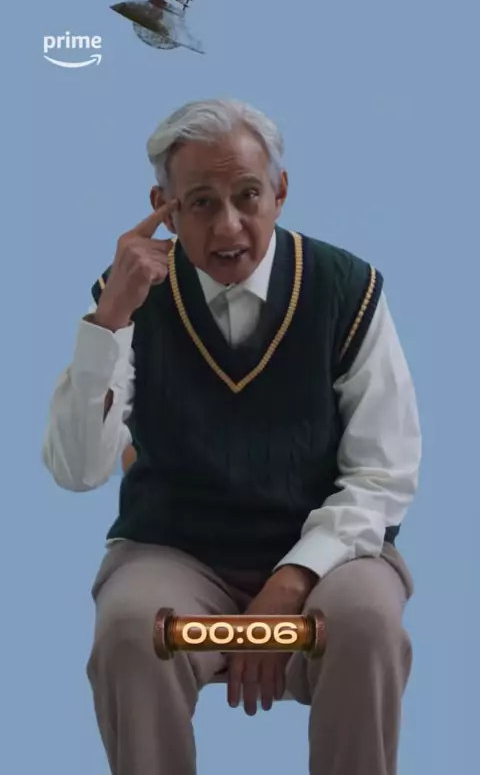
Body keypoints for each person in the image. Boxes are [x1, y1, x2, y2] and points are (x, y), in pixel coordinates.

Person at [42, 98, 421, 775]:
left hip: (330, 553)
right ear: (163, 208)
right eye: (201, 203)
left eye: (247, 195)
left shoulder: (348, 288)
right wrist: (110, 320)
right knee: (130, 630)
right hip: (175, 549)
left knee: (367, 624)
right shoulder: (128, 296)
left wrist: (291, 580)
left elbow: (382, 473)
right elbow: (77, 471)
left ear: (280, 191)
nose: (228, 226)